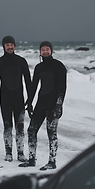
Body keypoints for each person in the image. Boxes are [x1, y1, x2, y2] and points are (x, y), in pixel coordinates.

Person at [19, 41, 67, 170]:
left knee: (51, 133)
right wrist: (29, 102)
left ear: (51, 50)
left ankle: (52, 161)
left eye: (47, 49)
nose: (45, 51)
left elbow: (63, 87)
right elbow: (34, 86)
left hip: (53, 105)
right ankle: (31, 159)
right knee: (31, 130)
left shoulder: (59, 66)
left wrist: (59, 104)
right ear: (40, 52)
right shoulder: (39, 67)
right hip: (41, 103)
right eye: (43, 50)